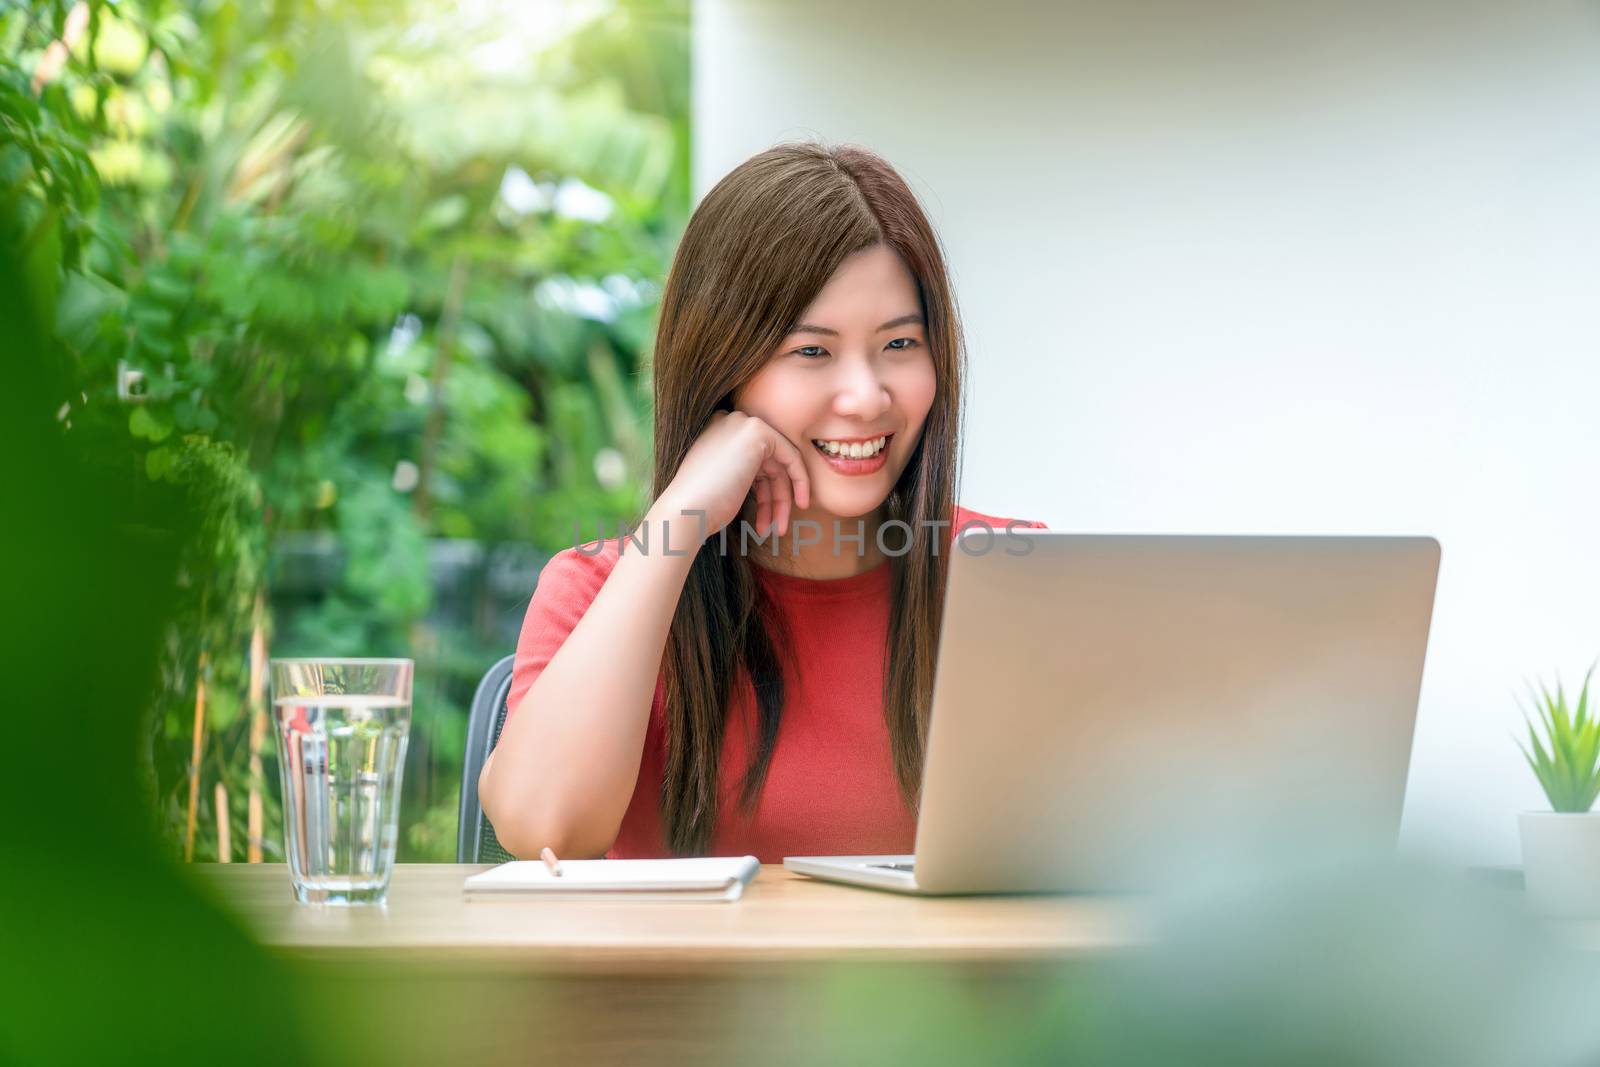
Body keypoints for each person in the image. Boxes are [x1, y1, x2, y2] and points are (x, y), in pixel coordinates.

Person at [479, 141, 1045, 861]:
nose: (867, 397)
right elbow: (543, 829)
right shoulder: (596, 589)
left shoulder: (1015, 576)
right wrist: (682, 517)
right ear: (723, 367)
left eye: (900, 343)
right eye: (812, 352)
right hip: (683, 979)